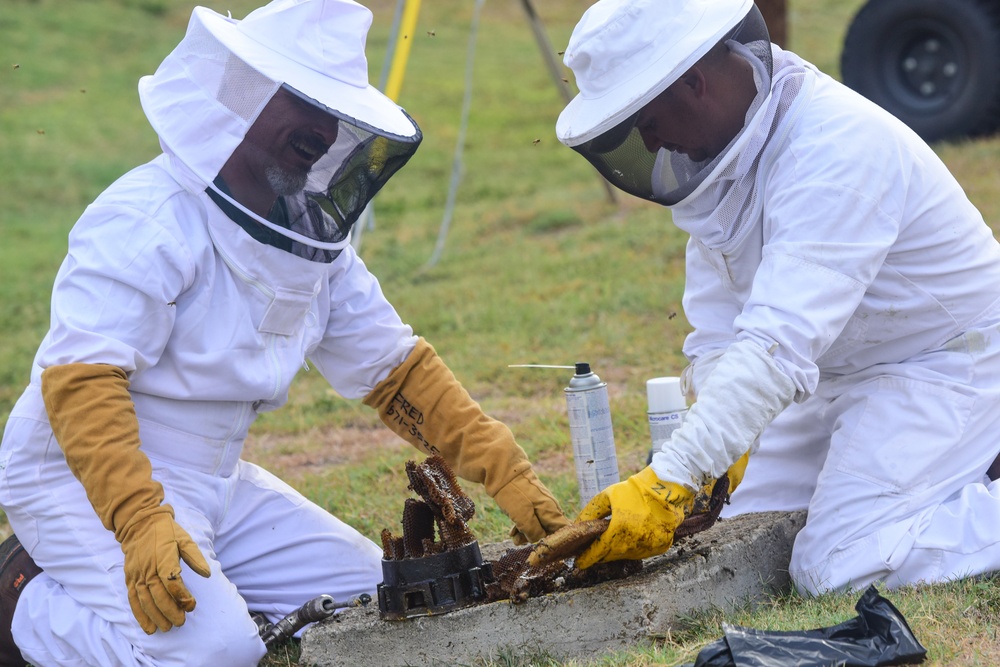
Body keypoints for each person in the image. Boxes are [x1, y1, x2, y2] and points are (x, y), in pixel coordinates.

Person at [0, 0, 569, 664]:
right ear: (247, 93)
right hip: (76, 477)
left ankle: (205, 593)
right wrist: (136, 519)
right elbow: (83, 379)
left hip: (215, 482)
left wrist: (508, 472)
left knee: (375, 597)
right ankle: (23, 604)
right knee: (216, 653)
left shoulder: (312, 243)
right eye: (307, 105)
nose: (325, 132)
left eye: (335, 114)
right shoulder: (146, 216)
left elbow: (396, 370)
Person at [555, 0, 1000, 597]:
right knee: (730, 533)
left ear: (694, 81)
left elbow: (775, 346)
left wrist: (674, 476)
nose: (646, 140)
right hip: (833, 374)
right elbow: (719, 334)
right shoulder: (727, 155)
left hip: (944, 362)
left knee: (839, 563)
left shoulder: (835, 150)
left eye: (646, 118)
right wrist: (721, 454)